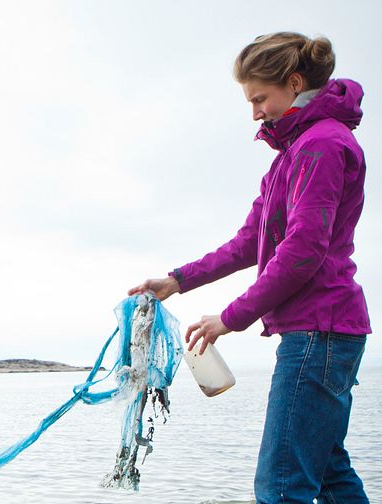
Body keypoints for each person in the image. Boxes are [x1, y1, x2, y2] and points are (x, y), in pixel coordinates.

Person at [129, 32, 371, 503]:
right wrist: (177, 280)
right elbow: (248, 243)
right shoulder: (291, 156)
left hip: (318, 334)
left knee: (281, 486)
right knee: (328, 475)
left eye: (260, 98)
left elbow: (302, 251)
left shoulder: (320, 147)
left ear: (295, 83)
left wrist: (230, 318)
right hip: (327, 333)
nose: (255, 112)